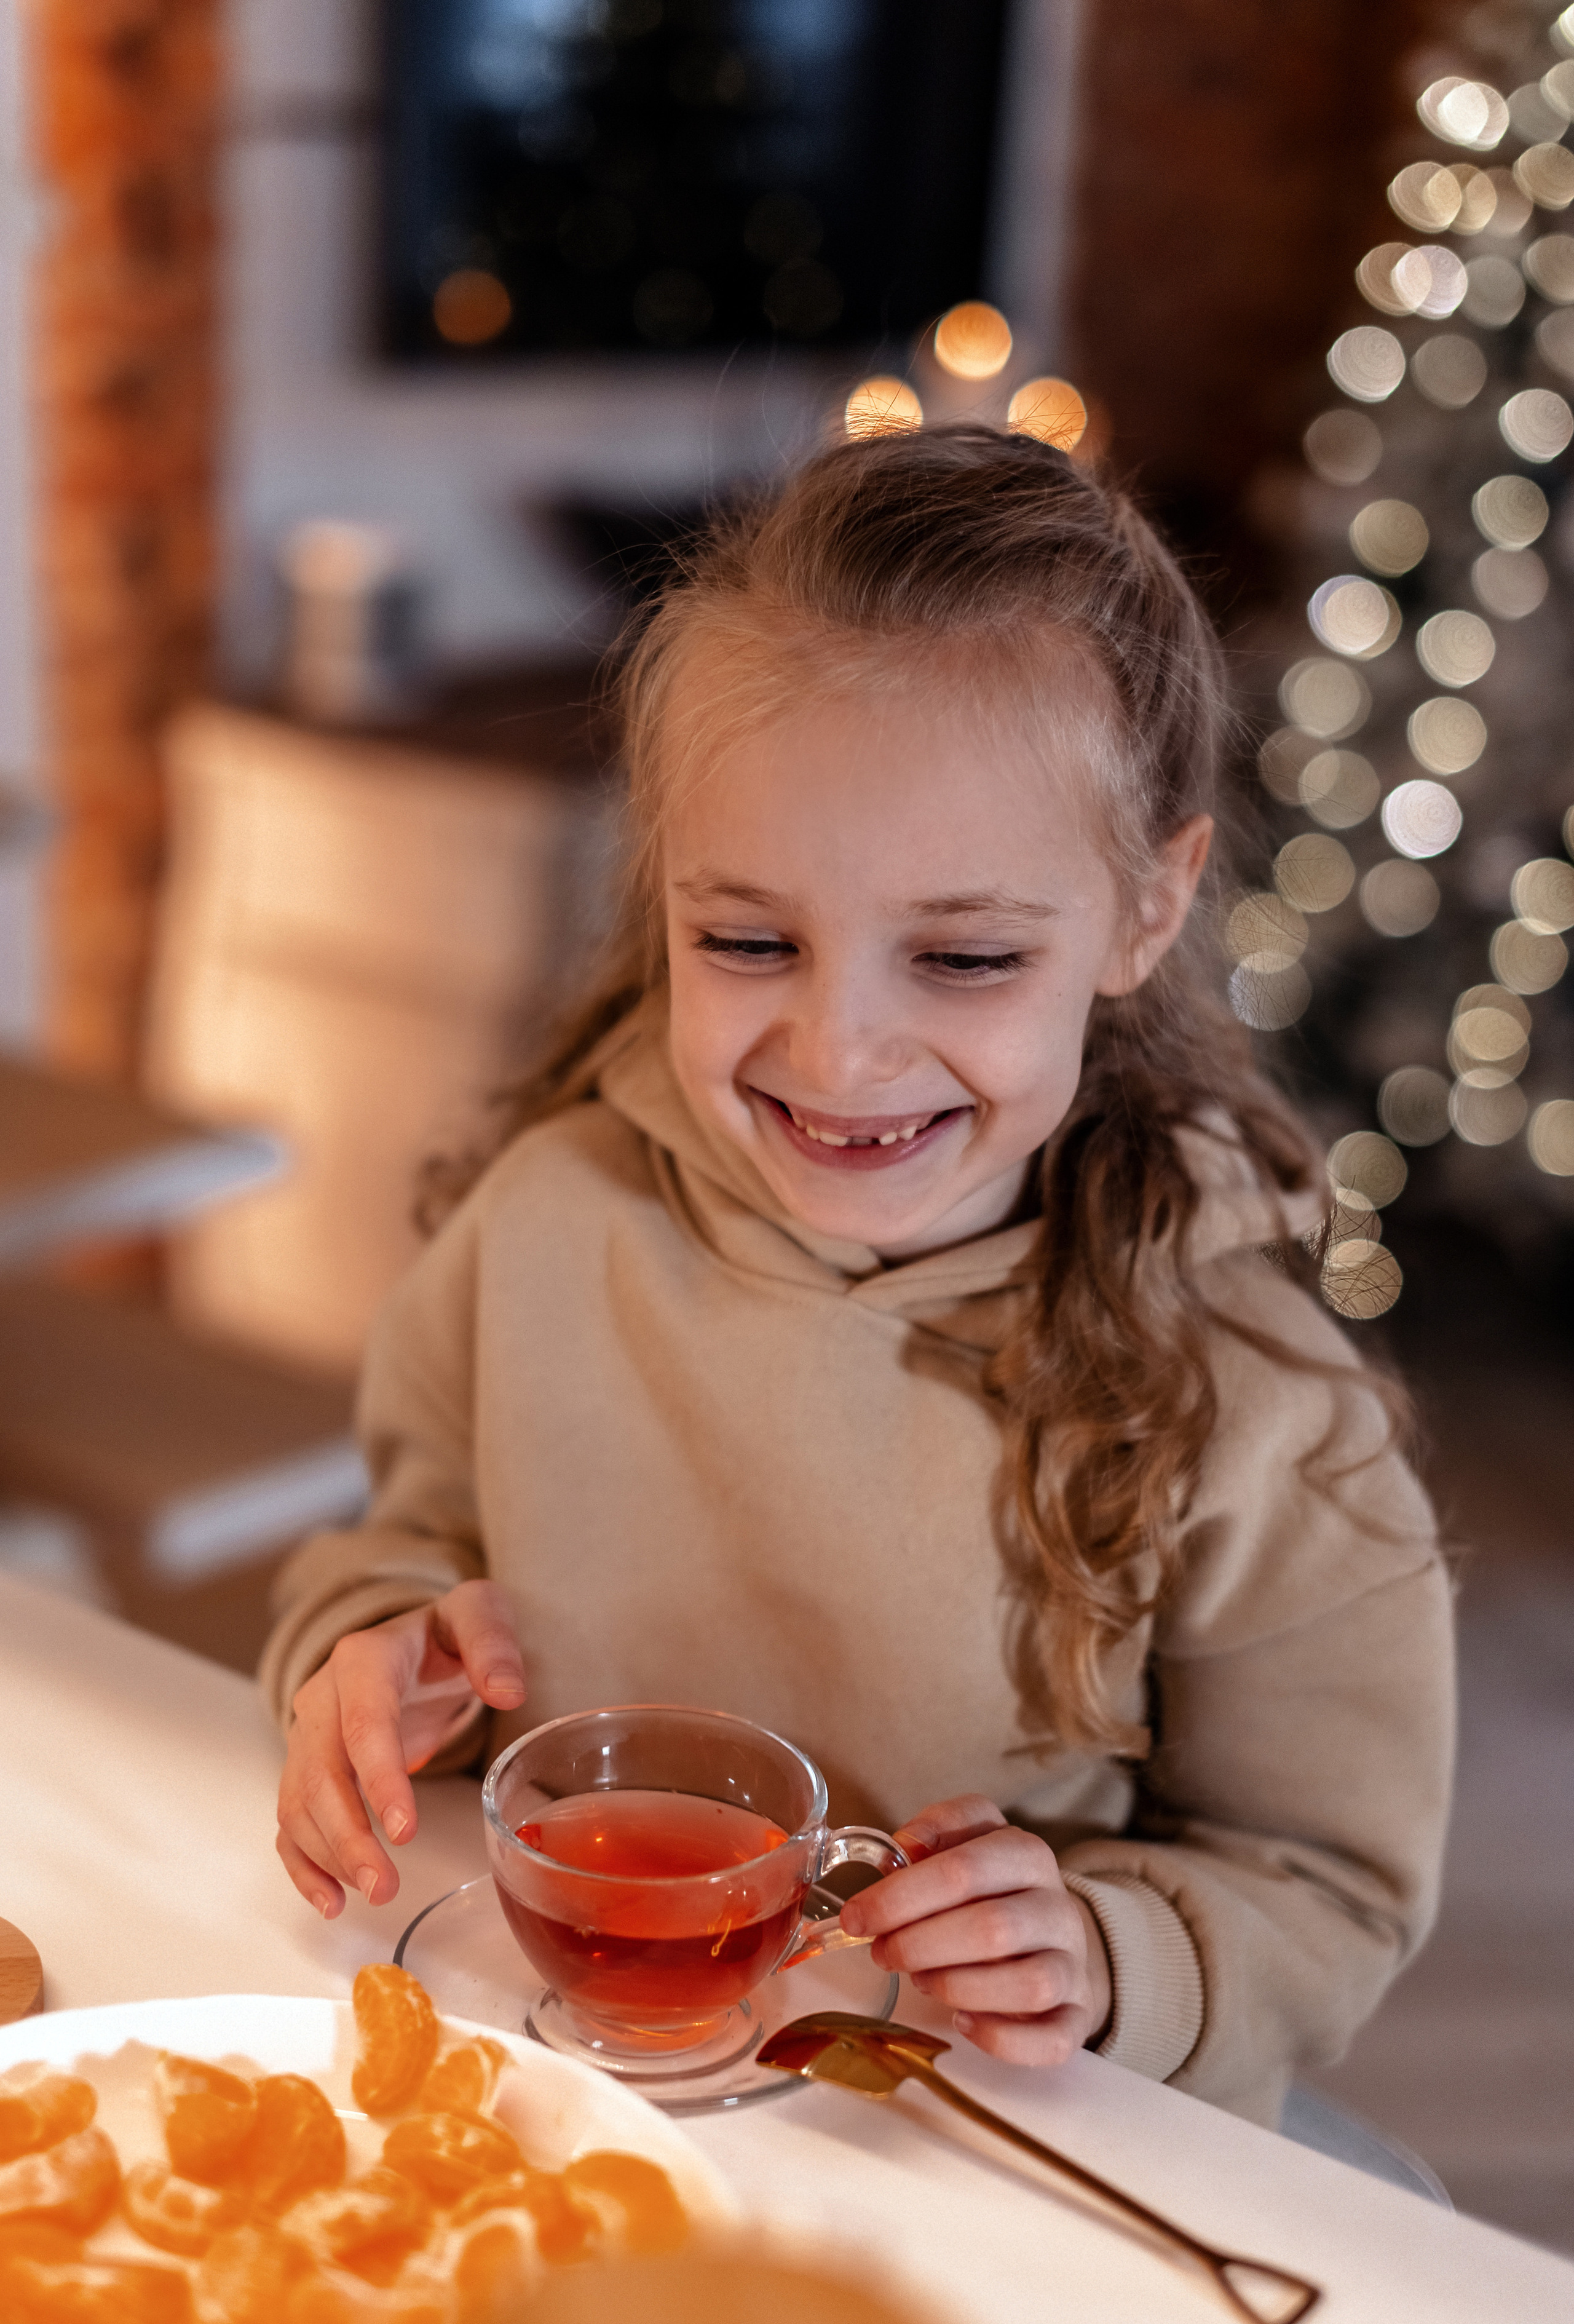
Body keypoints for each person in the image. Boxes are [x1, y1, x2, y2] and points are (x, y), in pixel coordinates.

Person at [262, 425, 1452, 2130]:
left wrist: (1118, 1954)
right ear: (660, 889)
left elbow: (1324, 1885)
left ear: (1145, 909)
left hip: (970, 2144)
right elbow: (413, 1539)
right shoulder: (546, 1221)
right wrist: (367, 1656)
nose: (839, 1051)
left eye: (964, 957)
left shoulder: (1256, 1403)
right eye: (747, 940)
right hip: (584, 2101)